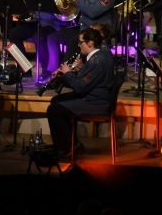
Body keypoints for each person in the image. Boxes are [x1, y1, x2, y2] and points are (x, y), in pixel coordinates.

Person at [46, 27, 115, 158]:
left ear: (90, 43)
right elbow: (87, 80)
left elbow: (80, 87)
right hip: (93, 96)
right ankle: (71, 144)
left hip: (96, 102)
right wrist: (77, 71)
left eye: (80, 42)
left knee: (54, 110)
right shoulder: (100, 55)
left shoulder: (97, 60)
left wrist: (67, 73)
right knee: (56, 101)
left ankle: (65, 149)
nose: (79, 45)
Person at [9, 0, 71, 80]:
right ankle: (25, 68)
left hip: (52, 23)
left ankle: (47, 70)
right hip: (37, 21)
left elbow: (60, 12)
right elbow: (31, 8)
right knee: (14, 34)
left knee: (39, 36)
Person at [46, 0, 116, 68]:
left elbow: (92, 12)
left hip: (96, 32)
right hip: (83, 27)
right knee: (52, 38)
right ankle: (52, 70)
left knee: (73, 44)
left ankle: (64, 72)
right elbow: (81, 7)